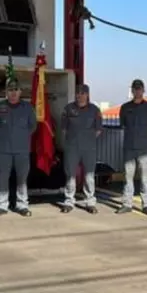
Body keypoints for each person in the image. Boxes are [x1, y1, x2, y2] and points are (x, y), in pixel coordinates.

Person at [0, 79, 36, 217]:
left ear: (20, 91)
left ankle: (22, 205)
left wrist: (20, 137)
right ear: (6, 92)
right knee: (3, 178)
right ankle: (2, 206)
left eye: (16, 90)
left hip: (22, 150)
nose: (13, 93)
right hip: (3, 150)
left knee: (22, 179)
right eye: (10, 90)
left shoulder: (28, 107)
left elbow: (32, 126)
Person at [117, 79, 147, 216]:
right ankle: (127, 204)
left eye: (139, 89)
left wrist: (144, 138)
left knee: (145, 178)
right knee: (127, 177)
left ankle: (146, 205)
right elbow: (123, 125)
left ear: (143, 90)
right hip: (129, 148)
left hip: (144, 149)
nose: (137, 91)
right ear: (132, 90)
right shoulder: (125, 108)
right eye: (135, 89)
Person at [60, 84, 103, 214]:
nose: (80, 95)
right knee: (70, 175)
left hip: (89, 148)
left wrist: (86, 139)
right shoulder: (68, 109)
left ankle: (90, 202)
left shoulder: (94, 110)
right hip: (72, 148)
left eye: (82, 93)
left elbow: (98, 130)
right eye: (78, 93)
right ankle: (69, 202)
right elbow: (64, 129)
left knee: (89, 176)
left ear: (87, 95)